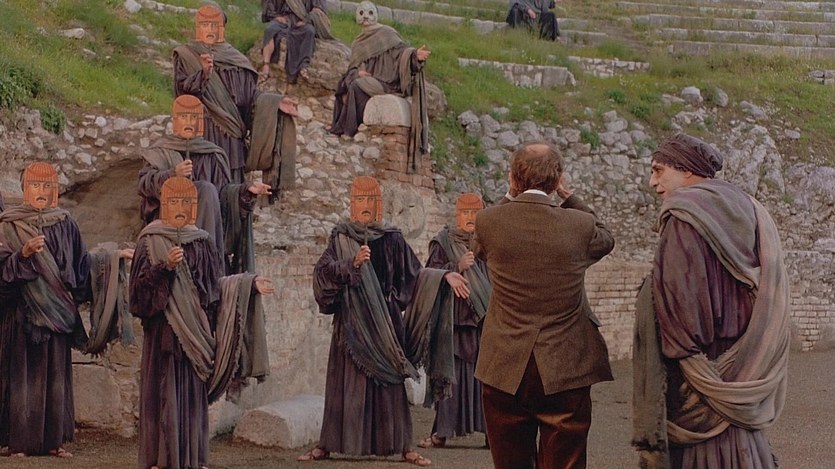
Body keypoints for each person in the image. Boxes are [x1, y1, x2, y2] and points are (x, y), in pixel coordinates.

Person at [632, 133, 790, 469]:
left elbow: (684, 313)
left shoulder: (684, 217)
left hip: (700, 373)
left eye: (659, 171)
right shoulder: (748, 208)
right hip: (742, 364)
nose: (652, 182)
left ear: (687, 169)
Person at [299, 176, 469, 467]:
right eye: (360, 200)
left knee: (390, 384)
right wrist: (350, 264)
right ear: (352, 204)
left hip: (385, 327)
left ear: (378, 204)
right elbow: (322, 275)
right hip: (351, 326)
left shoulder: (392, 238)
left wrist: (444, 276)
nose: (365, 205)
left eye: (371, 200)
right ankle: (327, 445)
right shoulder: (341, 237)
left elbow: (416, 275)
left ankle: (404, 447)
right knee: (344, 387)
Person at [473, 142, 614, 469]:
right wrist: (569, 196)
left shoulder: (488, 222)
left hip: (504, 365)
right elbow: (606, 238)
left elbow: (478, 247)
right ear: (557, 180)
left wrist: (510, 196)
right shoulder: (580, 225)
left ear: (512, 178)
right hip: (566, 365)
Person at [130, 176, 274, 469]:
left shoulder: (203, 241)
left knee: (191, 399)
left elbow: (214, 287)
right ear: (163, 205)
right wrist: (165, 268)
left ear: (194, 207)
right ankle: (160, 459)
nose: (180, 208)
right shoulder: (149, 240)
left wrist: (247, 284)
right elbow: (138, 296)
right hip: (163, 334)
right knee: (162, 394)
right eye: (174, 202)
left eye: (186, 202)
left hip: (195, 335)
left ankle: (193, 459)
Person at [0, 162, 130, 458]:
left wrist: (112, 259)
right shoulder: (8, 225)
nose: (41, 191)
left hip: (58, 314)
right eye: (36, 185)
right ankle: (19, 443)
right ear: (25, 189)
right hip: (22, 315)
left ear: (56, 190)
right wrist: (22, 255)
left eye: (48, 186)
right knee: (22, 379)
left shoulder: (66, 223)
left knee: (56, 379)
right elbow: (2, 274)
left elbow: (82, 266)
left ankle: (53, 442)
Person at [138, 94, 272, 274]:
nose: (188, 122)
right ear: (175, 121)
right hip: (168, 227)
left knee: (207, 189)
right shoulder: (160, 151)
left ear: (200, 123)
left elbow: (223, 195)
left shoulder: (213, 154)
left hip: (206, 227)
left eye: (193, 117)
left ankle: (205, 261)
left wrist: (244, 191)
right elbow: (144, 184)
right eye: (184, 117)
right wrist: (172, 174)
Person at [174, 3, 299, 188]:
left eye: (213, 24)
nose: (209, 29)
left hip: (231, 138)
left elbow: (249, 97)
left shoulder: (237, 60)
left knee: (230, 188)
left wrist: (275, 102)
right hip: (202, 134)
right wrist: (203, 75)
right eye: (204, 24)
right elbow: (182, 95)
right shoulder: (186, 55)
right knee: (203, 187)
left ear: (222, 26)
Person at [418, 193, 490, 450]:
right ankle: (441, 432)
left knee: (487, 380)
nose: (470, 218)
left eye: (475, 213)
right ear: (457, 215)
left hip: (483, 324)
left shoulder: (489, 243)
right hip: (453, 324)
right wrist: (455, 267)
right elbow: (427, 275)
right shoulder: (443, 242)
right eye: (465, 213)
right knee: (450, 378)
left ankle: (492, 435)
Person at [330, 1, 430, 164]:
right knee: (346, 83)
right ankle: (344, 125)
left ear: (375, 14)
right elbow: (352, 68)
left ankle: (348, 129)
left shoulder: (387, 34)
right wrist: (357, 73)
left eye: (369, 13)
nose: (366, 17)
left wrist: (414, 56)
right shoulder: (358, 42)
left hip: (387, 82)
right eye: (362, 13)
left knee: (357, 85)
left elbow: (402, 52)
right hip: (369, 78)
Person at [260, 0, 333, 83]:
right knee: (270, 30)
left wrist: (307, 20)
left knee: (309, 31)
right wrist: (276, 17)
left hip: (303, 21)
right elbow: (269, 4)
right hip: (284, 20)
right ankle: (266, 65)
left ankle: (303, 66)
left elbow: (318, 10)